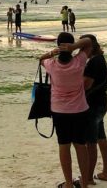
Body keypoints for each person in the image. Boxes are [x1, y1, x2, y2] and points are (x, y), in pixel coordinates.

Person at [39, 34, 93, 188]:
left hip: (59, 111)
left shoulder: (52, 64)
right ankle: (84, 183)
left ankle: (68, 183)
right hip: (80, 110)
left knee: (64, 146)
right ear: (70, 47)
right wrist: (74, 47)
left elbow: (40, 59)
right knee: (80, 146)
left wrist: (52, 52)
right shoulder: (79, 61)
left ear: (58, 45)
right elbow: (89, 42)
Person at [81, 34, 107, 183]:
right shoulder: (100, 59)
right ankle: (106, 171)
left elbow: (86, 84)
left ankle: (87, 177)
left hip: (93, 104)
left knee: (90, 142)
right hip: (101, 102)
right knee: (101, 137)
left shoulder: (94, 62)